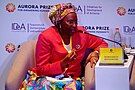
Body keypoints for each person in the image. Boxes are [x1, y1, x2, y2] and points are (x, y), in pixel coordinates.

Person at [5, 3, 108, 90]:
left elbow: (102, 44)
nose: (74, 25)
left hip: (72, 79)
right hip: (47, 78)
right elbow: (41, 69)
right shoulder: (46, 37)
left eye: (76, 22)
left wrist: (95, 53)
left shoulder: (81, 33)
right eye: (70, 22)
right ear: (59, 23)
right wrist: (62, 64)